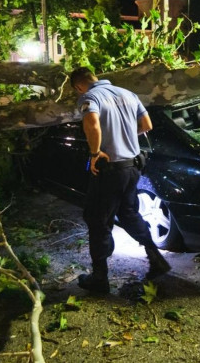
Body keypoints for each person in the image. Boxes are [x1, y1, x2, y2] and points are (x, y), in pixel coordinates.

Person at [69, 66, 171, 294]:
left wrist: (95, 152)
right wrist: (123, 136)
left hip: (111, 170)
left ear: (78, 86)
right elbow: (146, 126)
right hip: (132, 167)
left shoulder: (89, 97)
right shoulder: (127, 93)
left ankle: (99, 278)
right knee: (128, 214)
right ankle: (156, 258)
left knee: (97, 220)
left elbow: (92, 123)